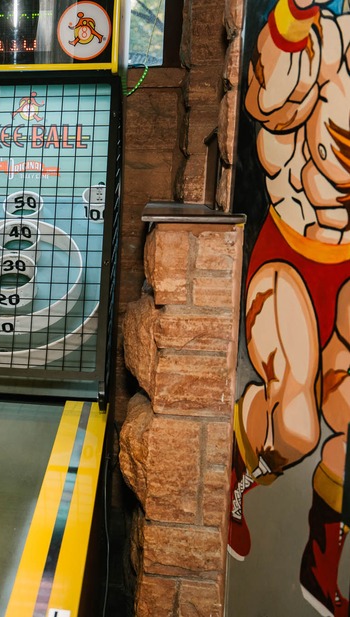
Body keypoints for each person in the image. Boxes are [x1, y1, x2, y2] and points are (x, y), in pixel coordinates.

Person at [229, 0, 350, 613]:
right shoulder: (321, 43)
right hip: (291, 255)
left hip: (347, 268)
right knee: (296, 427)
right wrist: (293, 18)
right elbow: (269, 97)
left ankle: (319, 563)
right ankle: (237, 469)